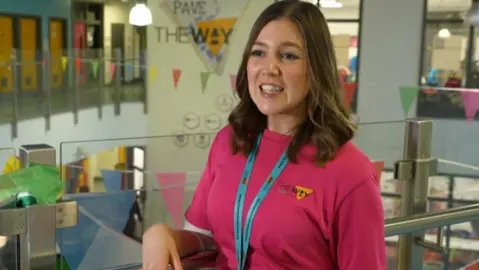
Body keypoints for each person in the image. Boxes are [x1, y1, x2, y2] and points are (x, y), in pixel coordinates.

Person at [142, 1, 385, 269]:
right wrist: (164, 235)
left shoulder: (351, 174)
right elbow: (208, 240)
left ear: (317, 68)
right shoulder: (229, 142)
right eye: (259, 52)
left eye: (288, 56)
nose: (269, 68)